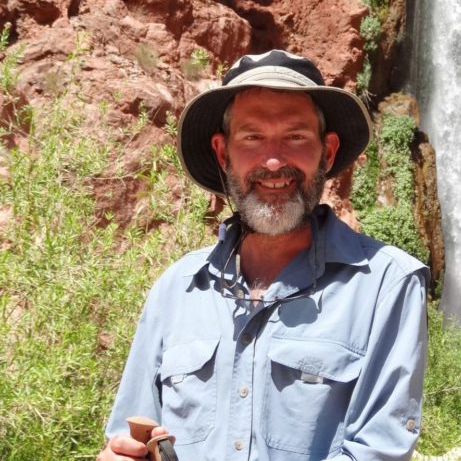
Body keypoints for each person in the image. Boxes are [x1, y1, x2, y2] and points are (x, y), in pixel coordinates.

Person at [98, 50, 429, 461]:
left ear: (327, 151)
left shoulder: (387, 286)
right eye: (252, 137)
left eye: (295, 137)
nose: (273, 161)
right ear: (223, 154)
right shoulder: (176, 290)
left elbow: (378, 451)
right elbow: (129, 435)